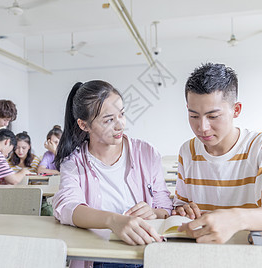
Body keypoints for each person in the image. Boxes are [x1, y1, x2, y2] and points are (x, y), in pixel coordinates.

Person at [173, 63, 262, 243]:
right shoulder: (187, 150)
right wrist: (183, 210)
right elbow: (181, 205)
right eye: (194, 116)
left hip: (251, 251)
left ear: (236, 110)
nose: (202, 127)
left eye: (213, 116)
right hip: (202, 250)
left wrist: (234, 219)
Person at [52, 80, 172, 266]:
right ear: (84, 125)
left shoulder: (146, 153)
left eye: (121, 114)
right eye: (108, 120)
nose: (120, 125)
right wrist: (113, 221)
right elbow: (67, 208)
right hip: (99, 257)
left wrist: (153, 213)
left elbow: (165, 209)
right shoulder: (74, 163)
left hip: (146, 254)